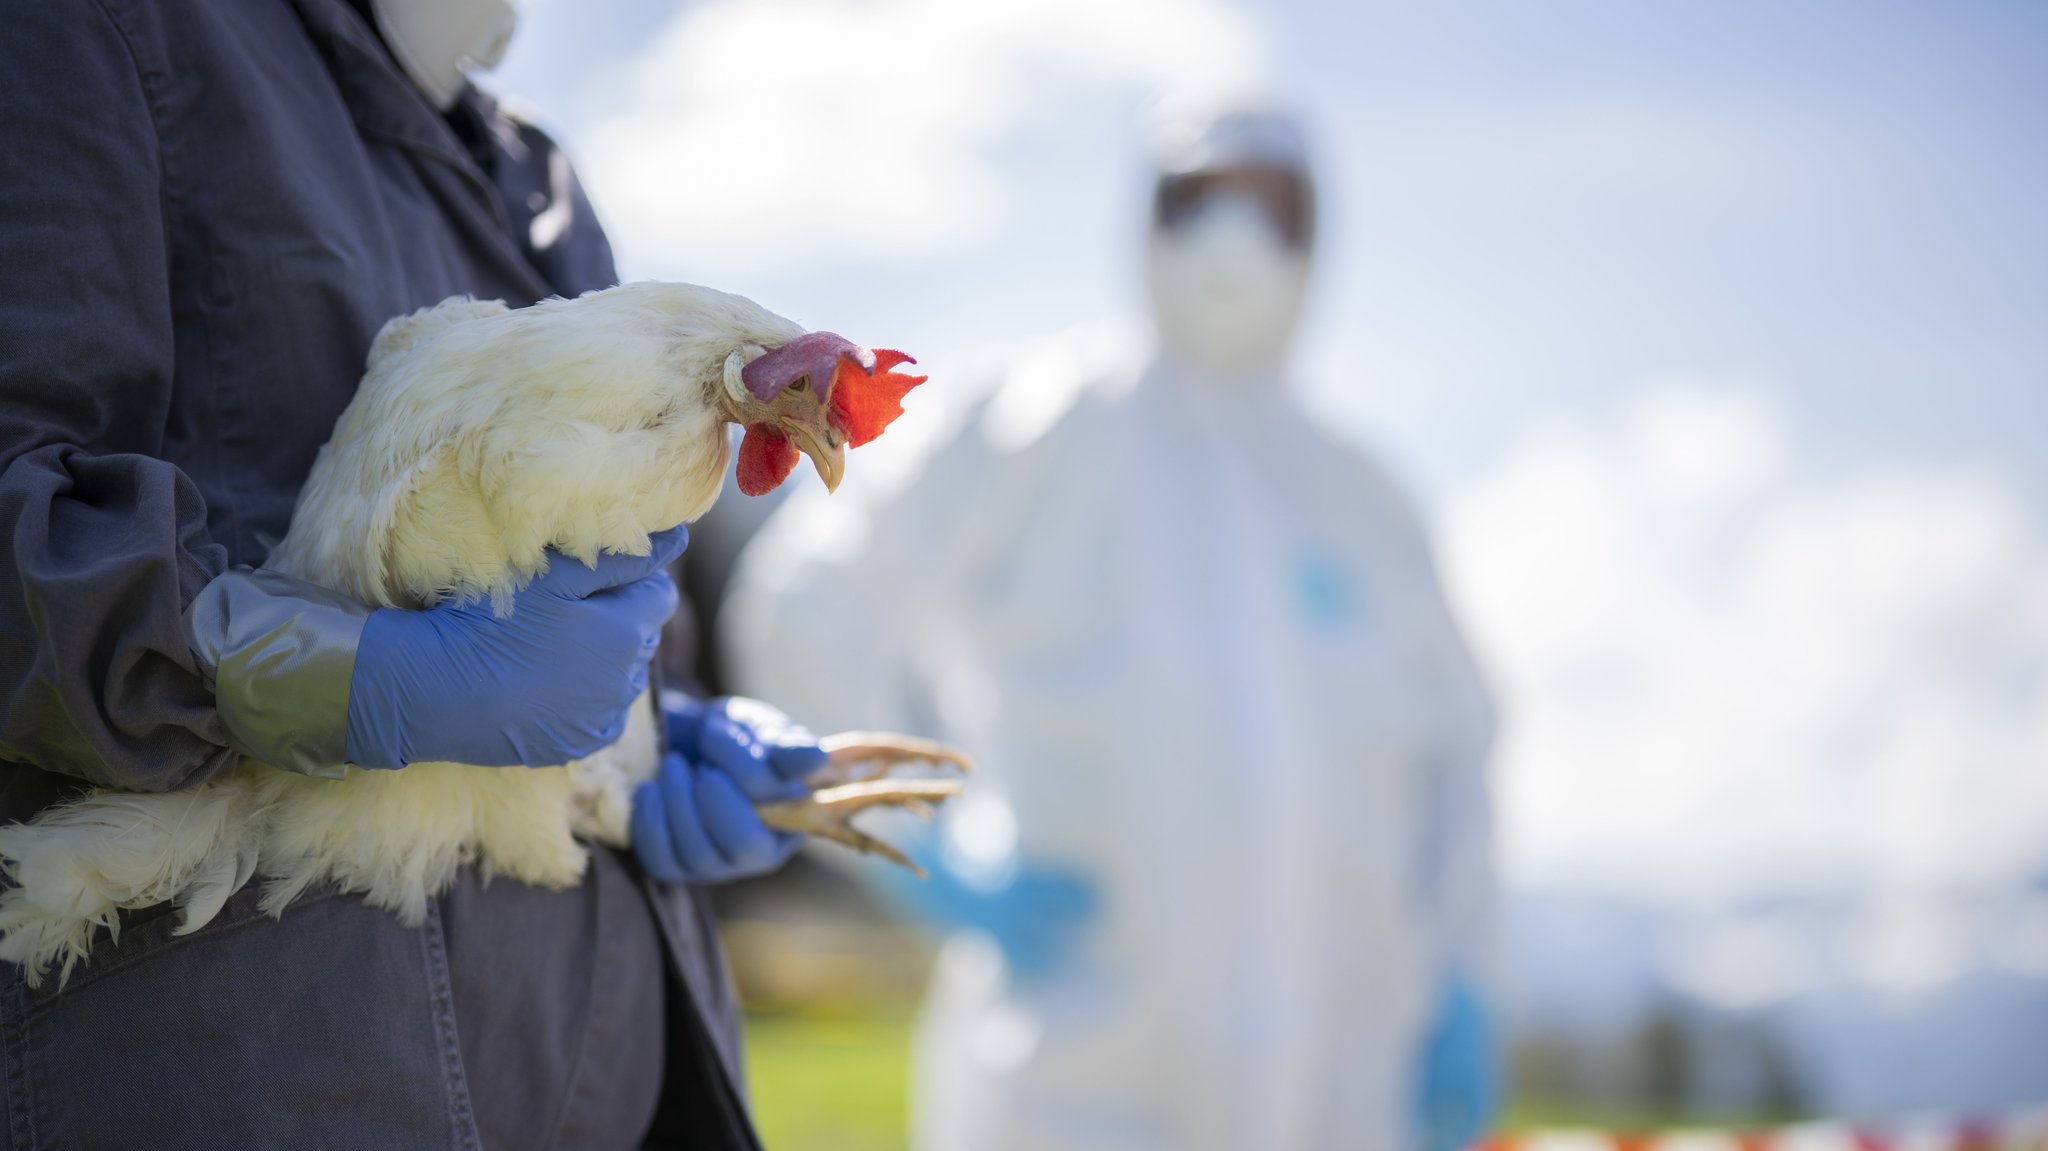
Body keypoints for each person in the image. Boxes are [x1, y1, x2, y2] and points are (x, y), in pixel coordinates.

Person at [0, 1, 818, 1146]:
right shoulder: (88, 29)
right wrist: (330, 674)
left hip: (602, 1077)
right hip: (262, 1074)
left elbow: (578, 613)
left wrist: (657, 729)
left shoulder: (535, 176)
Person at [723, 104, 1502, 1150]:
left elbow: (1457, 761)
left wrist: (1463, 979)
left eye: (1269, 207)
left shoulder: (1366, 503)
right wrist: (923, 853)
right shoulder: (1031, 429)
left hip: (1345, 1093)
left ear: (1316, 236)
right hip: (1068, 1093)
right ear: (1146, 218)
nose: (1233, 239)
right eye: (1200, 198)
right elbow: (800, 608)